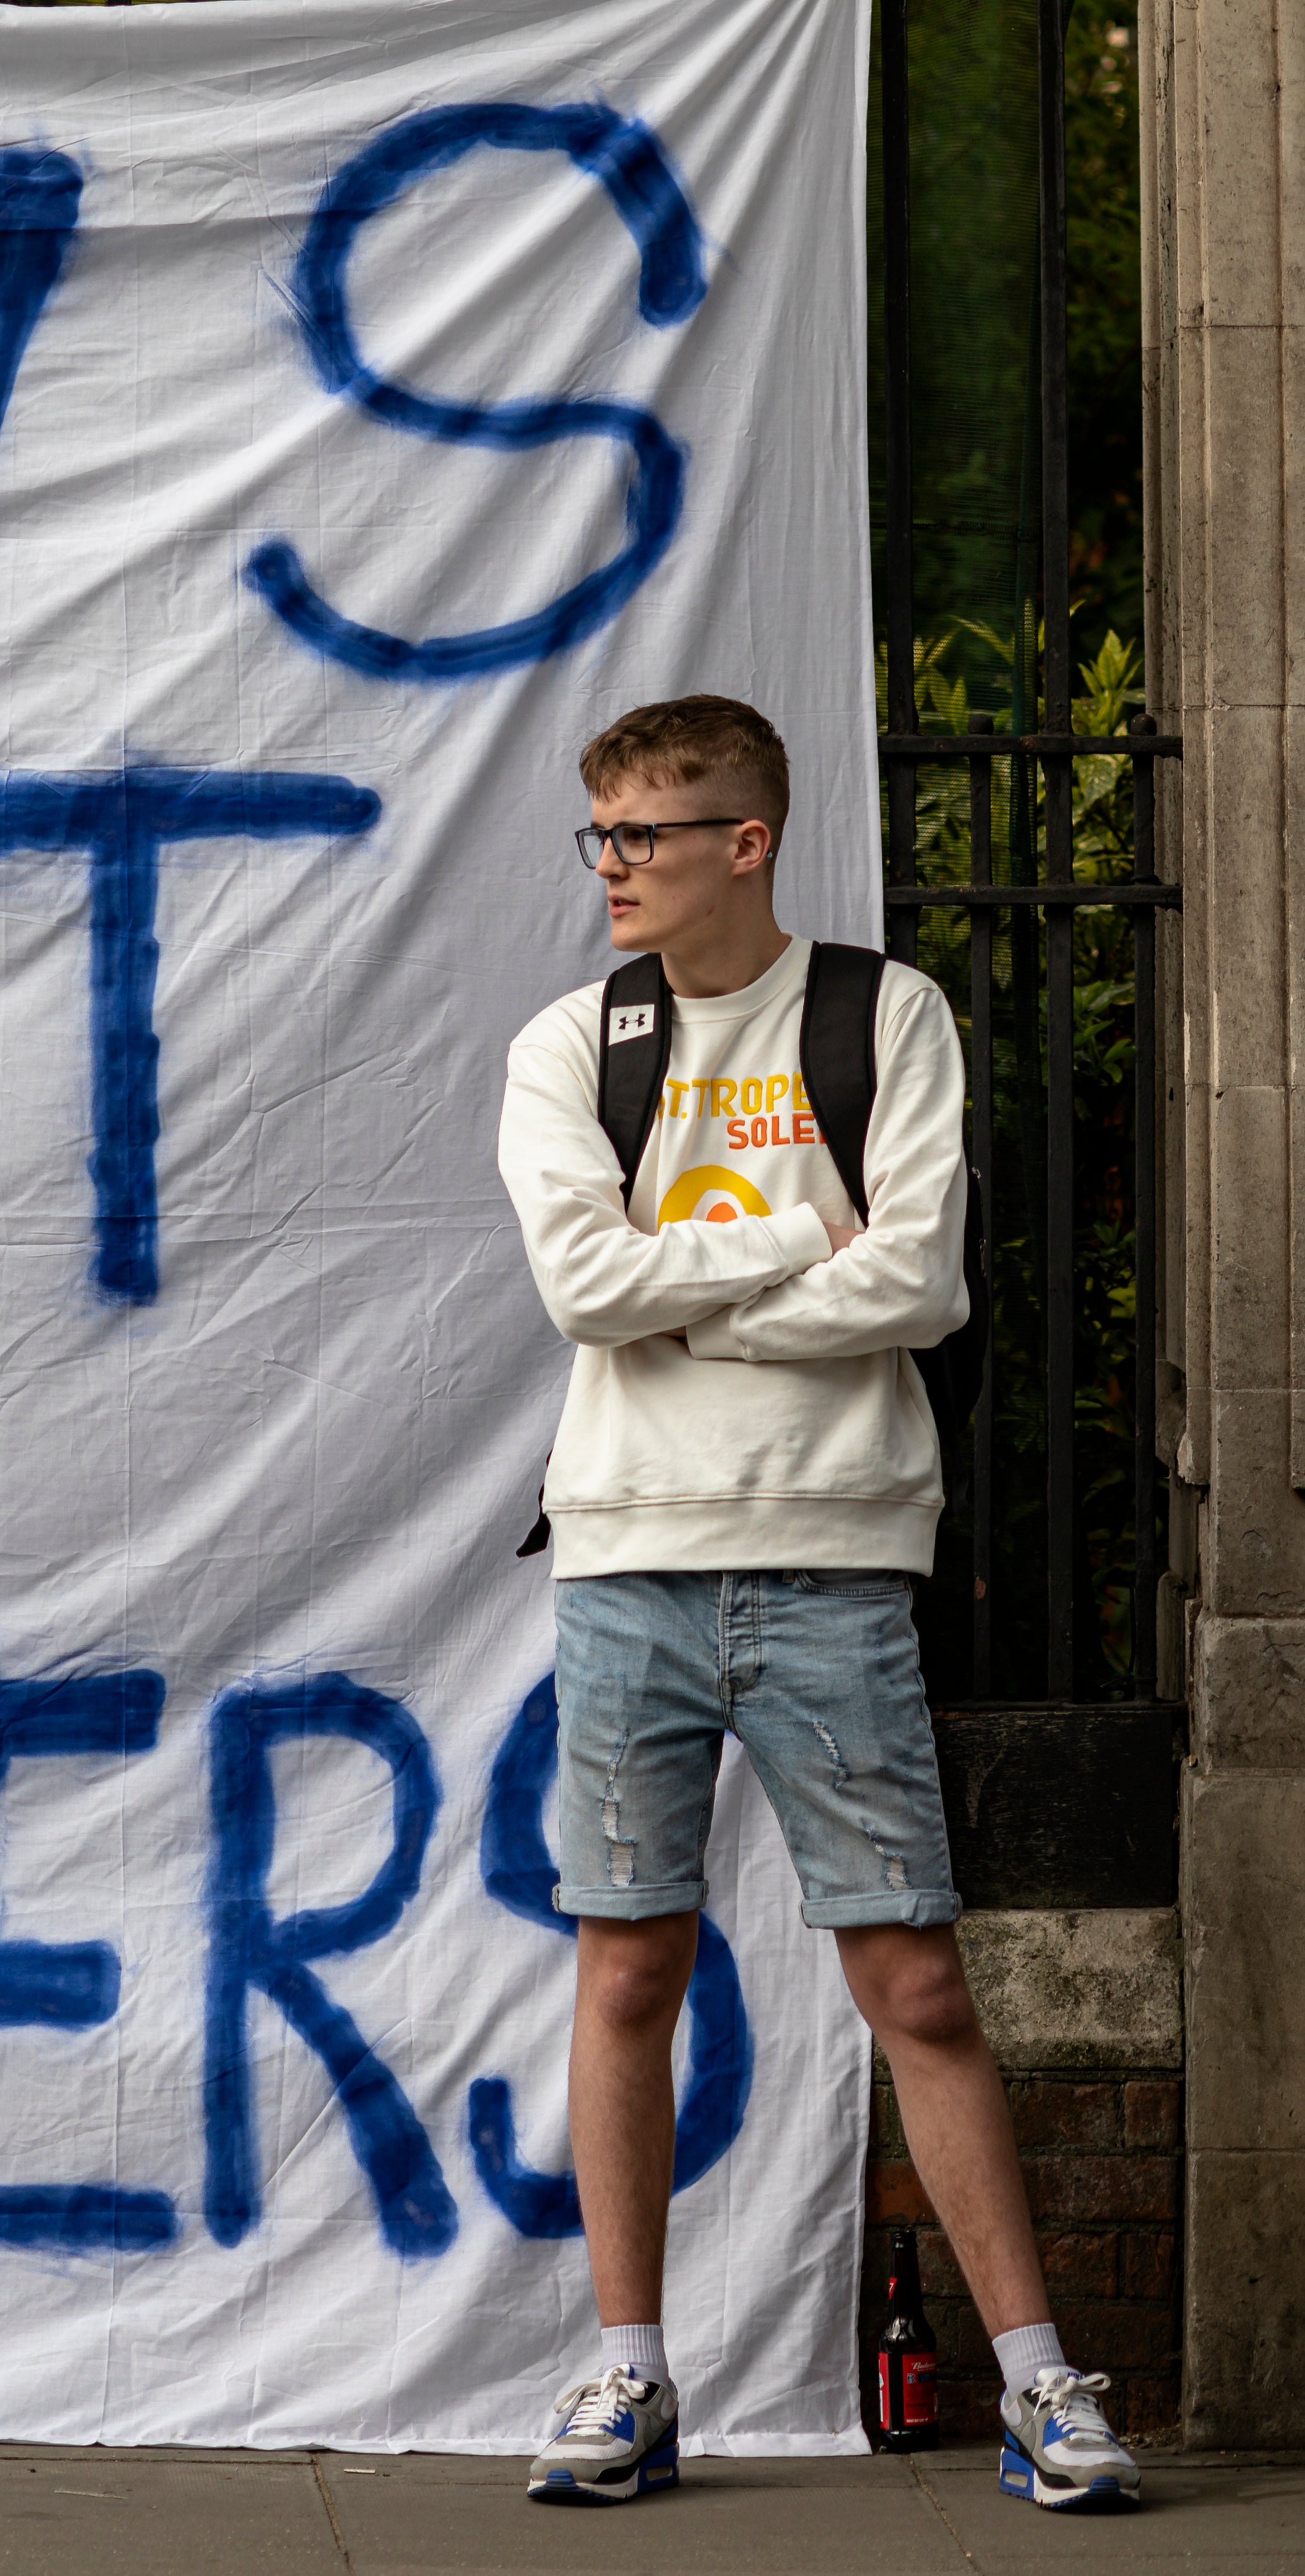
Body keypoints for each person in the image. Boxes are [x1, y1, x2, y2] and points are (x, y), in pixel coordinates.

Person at [496, 696, 1132, 2512]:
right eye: (598, 834)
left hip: (838, 1548)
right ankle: (626, 2376)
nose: (611, 865)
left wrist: (684, 1293)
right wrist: (795, 1247)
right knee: (626, 1964)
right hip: (625, 1550)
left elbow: (919, 1282)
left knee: (911, 1973)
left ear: (744, 842)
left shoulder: (879, 1016)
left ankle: (1035, 2384)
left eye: (645, 834)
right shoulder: (571, 1045)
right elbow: (582, 1285)